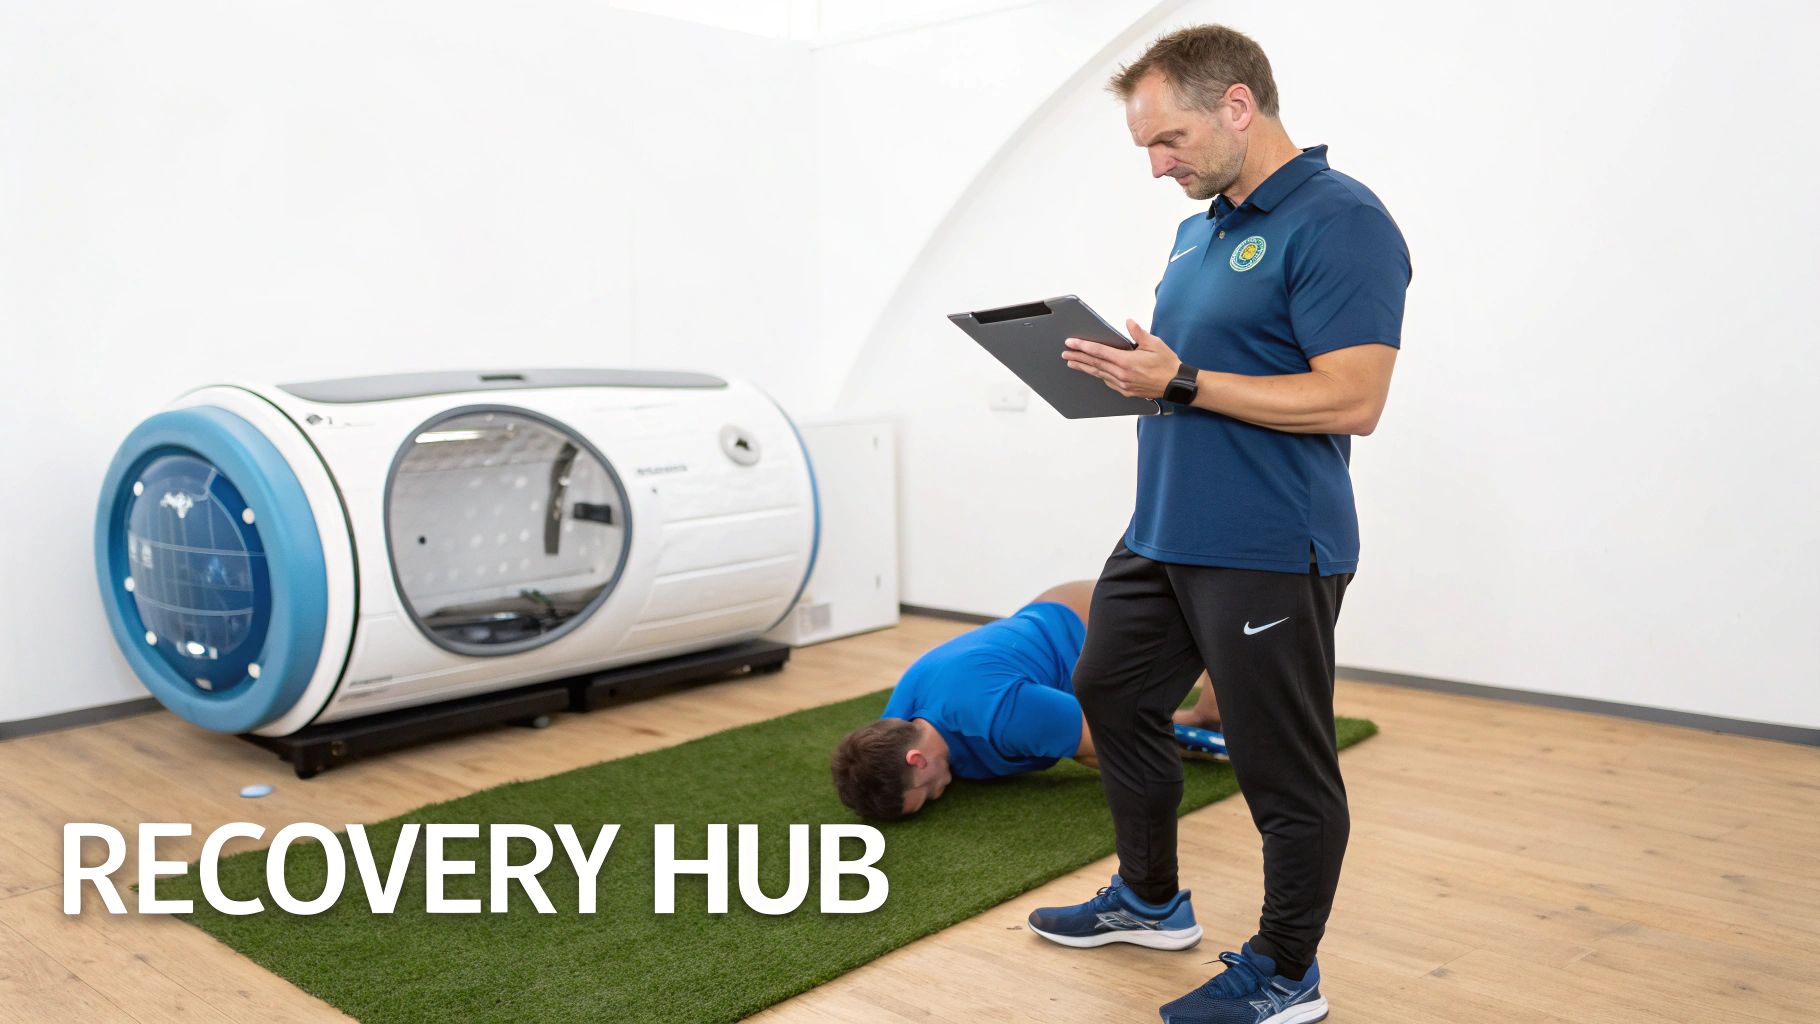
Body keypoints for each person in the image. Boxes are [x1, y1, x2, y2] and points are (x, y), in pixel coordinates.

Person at [1026, 24, 1409, 1024]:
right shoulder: (1199, 227)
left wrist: (1183, 378)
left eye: (1169, 140)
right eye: (1146, 148)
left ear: (1237, 105)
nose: (1157, 167)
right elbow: (1199, 383)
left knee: (1281, 767)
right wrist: (1137, 374)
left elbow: (1350, 397)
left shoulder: (1341, 221)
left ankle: (1286, 972)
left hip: (1269, 542)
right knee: (1108, 689)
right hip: (1162, 528)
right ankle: (1149, 899)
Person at [830, 580, 1225, 824]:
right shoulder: (893, 729)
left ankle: (1204, 712)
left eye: (928, 795)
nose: (938, 797)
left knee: (1212, 628)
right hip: (1047, 622)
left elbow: (1116, 742)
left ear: (916, 760)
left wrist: (1175, 741)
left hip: (1098, 621)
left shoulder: (1003, 715)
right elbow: (865, 765)